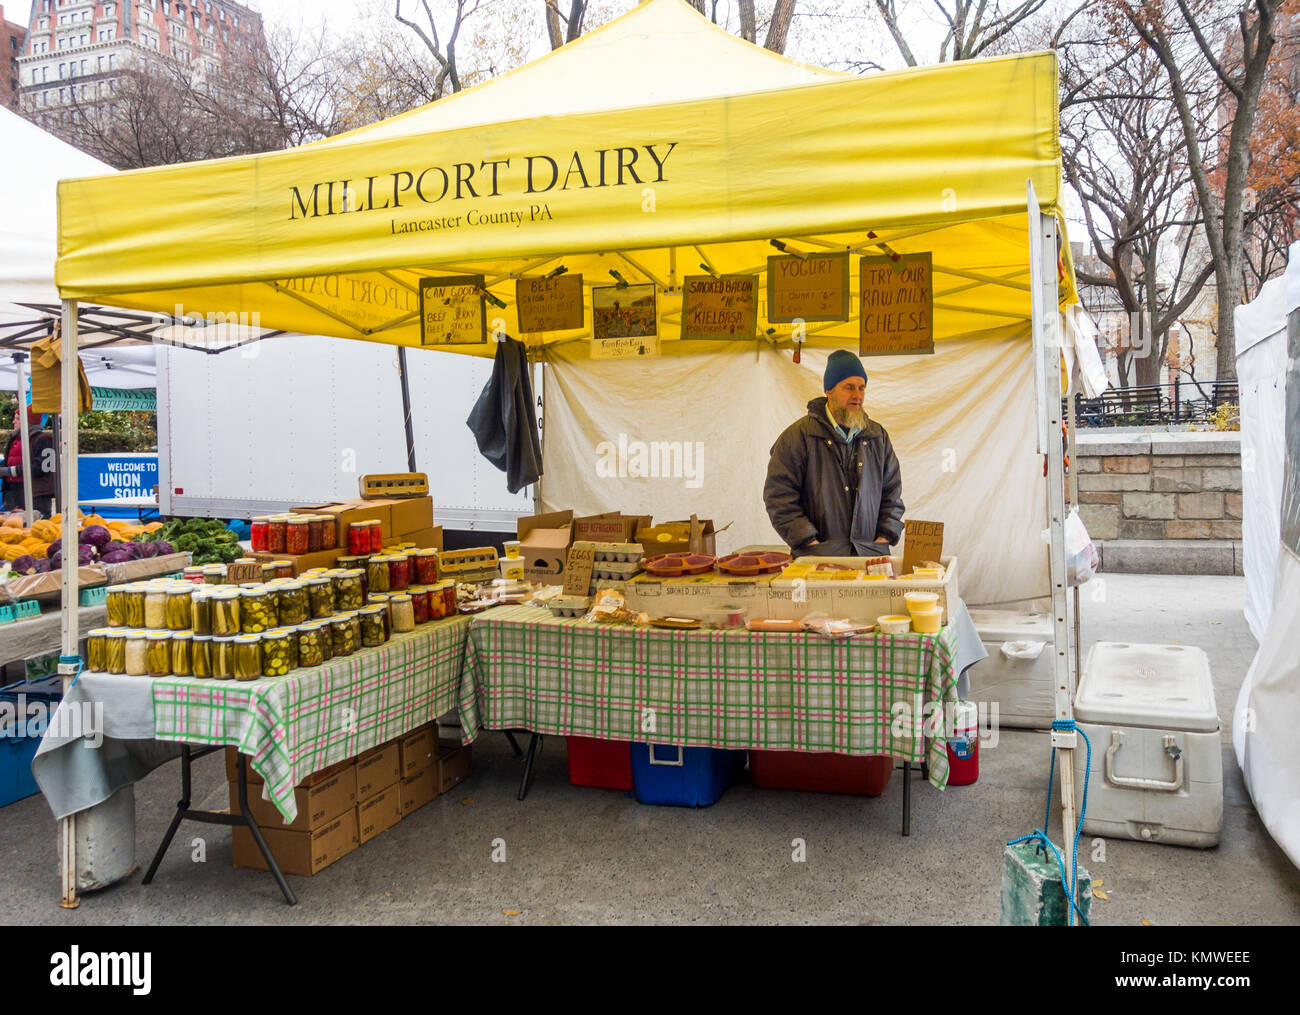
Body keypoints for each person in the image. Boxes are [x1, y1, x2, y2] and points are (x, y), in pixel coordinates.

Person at [764, 350, 904, 557]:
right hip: (816, 563)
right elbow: (779, 498)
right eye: (849, 387)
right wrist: (811, 543)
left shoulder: (877, 437)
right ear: (829, 391)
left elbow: (892, 494)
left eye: (862, 388)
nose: (857, 395)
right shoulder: (798, 437)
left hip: (870, 558)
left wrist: (883, 539)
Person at [1, 408, 56, 518]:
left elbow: (45, 468)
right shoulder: (15, 439)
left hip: (36, 495)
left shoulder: (44, 439)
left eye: (17, 419)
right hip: (13, 493)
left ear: (28, 421)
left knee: (37, 529)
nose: (13, 422)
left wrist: (9, 471)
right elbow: (8, 462)